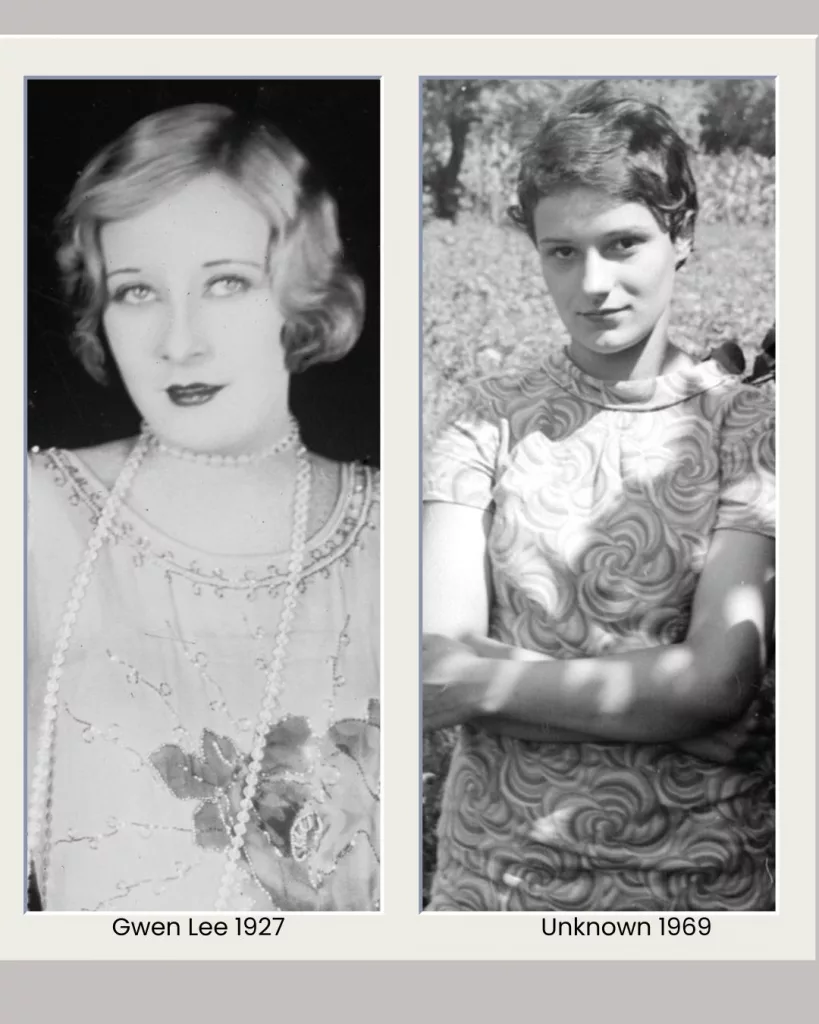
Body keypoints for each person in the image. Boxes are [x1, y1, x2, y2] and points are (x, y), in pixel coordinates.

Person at [422, 83, 775, 912]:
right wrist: (666, 701)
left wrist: (481, 685)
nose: (592, 283)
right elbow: (430, 669)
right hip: (492, 888)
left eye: (622, 244)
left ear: (681, 235)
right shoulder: (485, 417)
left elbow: (719, 681)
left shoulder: (749, 425)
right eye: (561, 252)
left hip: (697, 893)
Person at [27, 103, 380, 912]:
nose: (178, 340)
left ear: (299, 291)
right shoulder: (36, 511)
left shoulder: (387, 532)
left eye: (225, 283)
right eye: (136, 291)